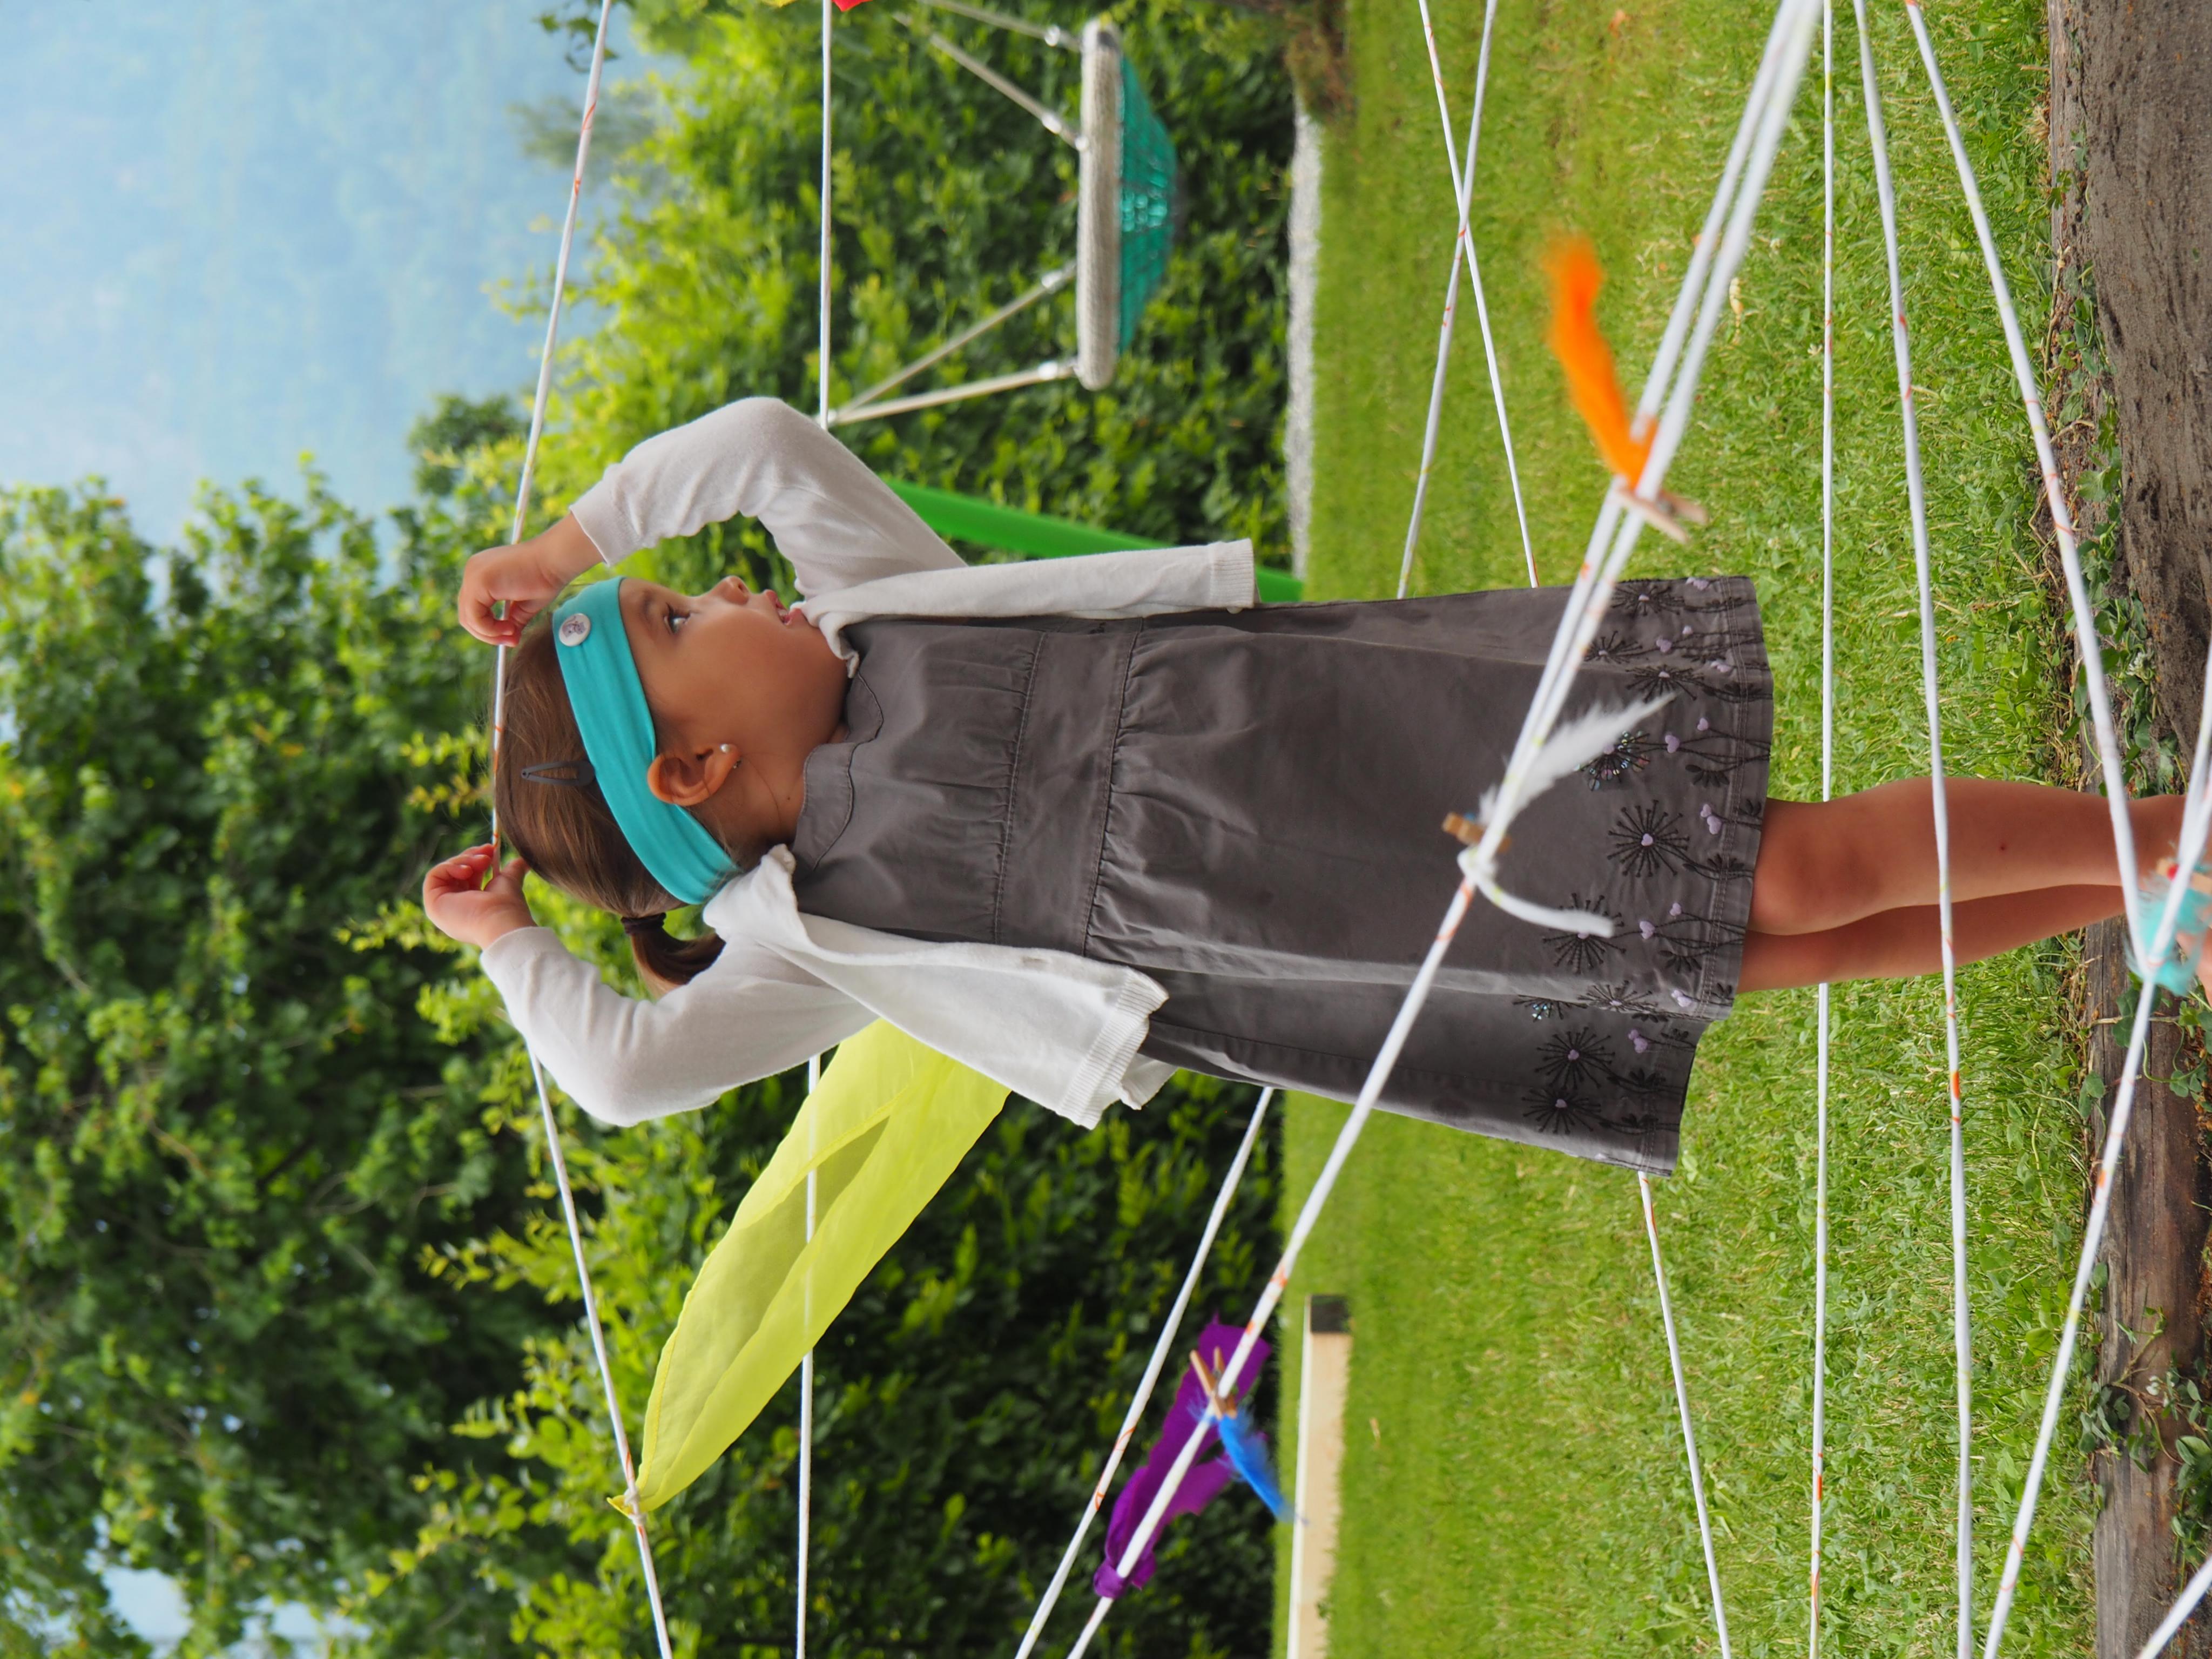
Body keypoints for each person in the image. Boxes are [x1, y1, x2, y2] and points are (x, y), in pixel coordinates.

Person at [424, 396, 2191, 1176]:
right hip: (1346, 949)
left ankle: (2172, 839)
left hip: (1376, 750)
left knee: (1780, 872)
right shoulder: (819, 934)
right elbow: (620, 1074)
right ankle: (2151, 891)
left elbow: (756, 445)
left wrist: (569, 546)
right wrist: (510, 943)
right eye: (678, 616)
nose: (729, 587)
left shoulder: (883, 609)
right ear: (697, 767)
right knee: (1749, 949)